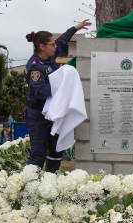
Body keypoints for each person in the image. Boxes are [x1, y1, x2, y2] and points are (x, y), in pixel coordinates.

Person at [24, 19, 91, 172]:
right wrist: (62, 85)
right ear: (42, 47)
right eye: (52, 44)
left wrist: (76, 27)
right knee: (38, 153)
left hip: (54, 113)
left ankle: (51, 178)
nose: (56, 46)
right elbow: (39, 92)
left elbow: (63, 40)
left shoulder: (50, 57)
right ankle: (29, 185)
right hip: (38, 115)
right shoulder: (34, 66)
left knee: (56, 150)